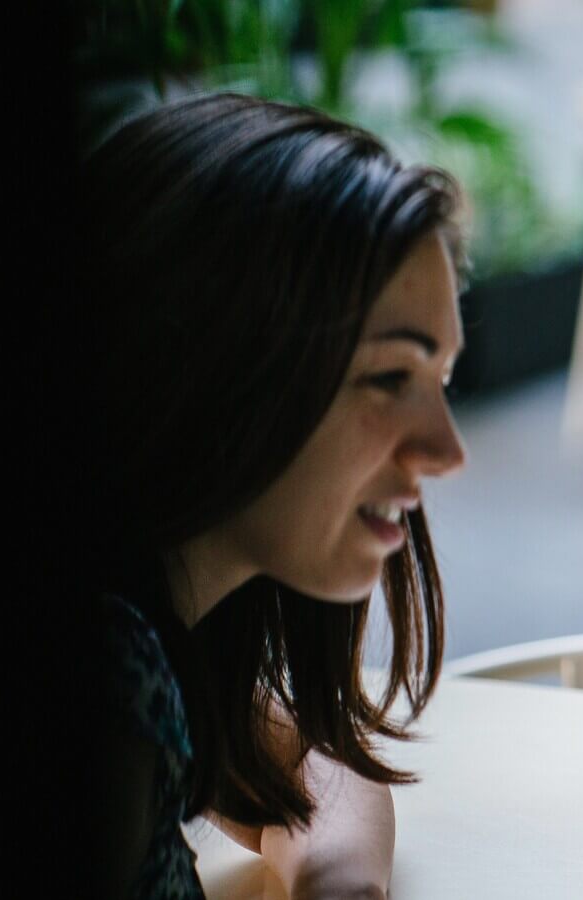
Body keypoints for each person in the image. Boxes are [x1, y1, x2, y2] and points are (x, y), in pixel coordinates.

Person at [80, 92, 468, 898]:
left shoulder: (168, 638)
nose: (447, 451)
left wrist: (338, 887)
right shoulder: (106, 691)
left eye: (441, 380)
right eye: (391, 377)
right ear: (224, 371)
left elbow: (303, 766)